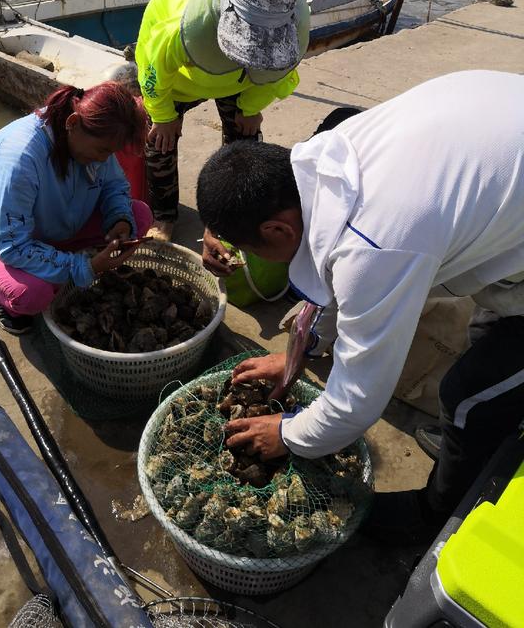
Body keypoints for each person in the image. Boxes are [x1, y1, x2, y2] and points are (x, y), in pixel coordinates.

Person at [196, 70, 524, 545]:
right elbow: (338, 278)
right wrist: (297, 355)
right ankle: (473, 442)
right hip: (504, 156)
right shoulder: (326, 157)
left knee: (470, 392)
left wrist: (287, 435)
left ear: (276, 232)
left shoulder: (375, 245)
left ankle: (437, 517)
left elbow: (356, 402)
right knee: (489, 346)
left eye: (251, 249)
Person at [0, 83, 152, 336]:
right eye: (102, 151)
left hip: (50, 223)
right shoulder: (21, 157)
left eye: (110, 152)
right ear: (73, 123)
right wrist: (85, 268)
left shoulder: (93, 133)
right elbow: (14, 246)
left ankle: (58, 261)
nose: (104, 159)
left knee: (139, 215)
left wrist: (119, 219)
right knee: (33, 295)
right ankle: (0, 290)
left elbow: (114, 185)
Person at [135, 0, 310, 241]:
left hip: (240, 82)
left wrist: (251, 108)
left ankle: (230, 215)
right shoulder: (190, 27)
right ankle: (164, 215)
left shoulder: (295, 28)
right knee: (158, 141)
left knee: (246, 143)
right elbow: (153, 67)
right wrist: (163, 115)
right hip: (183, 80)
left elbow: (276, 74)